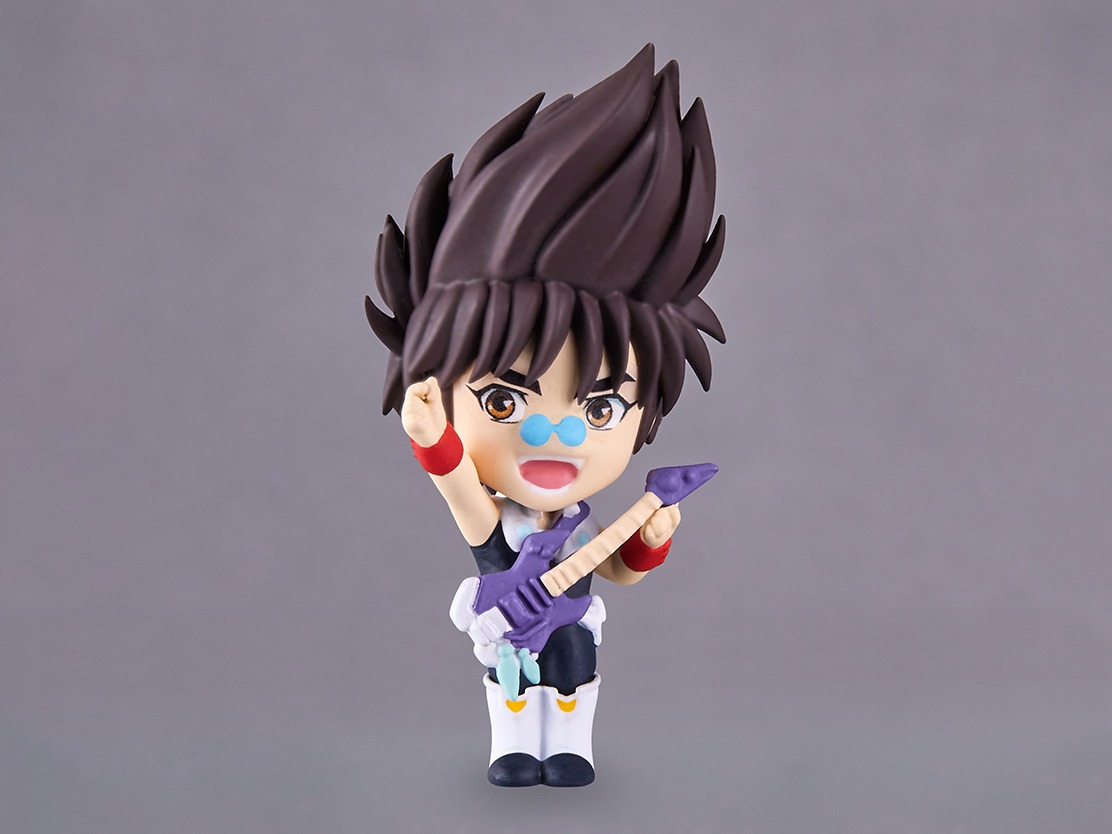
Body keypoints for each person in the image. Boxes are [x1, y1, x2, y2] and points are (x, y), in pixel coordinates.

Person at [365, 43, 726, 787]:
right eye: (504, 400)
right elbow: (457, 483)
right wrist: (428, 434)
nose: (554, 432)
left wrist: (650, 540)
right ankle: (511, 747)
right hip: (506, 620)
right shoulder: (493, 522)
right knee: (509, 687)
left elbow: (616, 572)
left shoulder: (583, 523)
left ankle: (570, 748)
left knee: (574, 672)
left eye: (601, 405)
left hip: (570, 624)